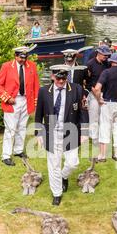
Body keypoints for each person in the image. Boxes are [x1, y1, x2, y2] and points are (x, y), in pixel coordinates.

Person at [35, 65, 89, 206]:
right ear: (52, 76)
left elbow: (83, 110)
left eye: (64, 78)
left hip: (71, 130)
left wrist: (84, 131)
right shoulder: (43, 91)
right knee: (53, 165)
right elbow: (38, 113)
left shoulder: (77, 89)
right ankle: (57, 193)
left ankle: (64, 176)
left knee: (73, 163)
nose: (61, 81)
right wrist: (38, 132)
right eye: (58, 78)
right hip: (51, 131)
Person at [0, 45, 40, 166]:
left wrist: (36, 101)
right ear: (15, 56)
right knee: (10, 129)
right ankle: (6, 155)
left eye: (24, 58)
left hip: (26, 100)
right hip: (12, 101)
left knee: (22, 127)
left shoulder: (32, 66)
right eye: (20, 58)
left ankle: (18, 150)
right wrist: (7, 98)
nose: (22, 60)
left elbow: (36, 85)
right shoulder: (6, 66)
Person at [93, 53, 117, 162]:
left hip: (107, 103)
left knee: (104, 128)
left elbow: (97, 89)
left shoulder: (106, 72)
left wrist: (98, 99)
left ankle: (102, 155)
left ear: (111, 61)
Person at [85, 45, 111, 156]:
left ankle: (103, 139)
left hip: (105, 93)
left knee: (104, 119)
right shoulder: (90, 64)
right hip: (93, 93)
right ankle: (95, 140)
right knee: (94, 118)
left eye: (107, 55)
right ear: (98, 53)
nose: (106, 57)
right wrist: (97, 96)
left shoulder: (107, 64)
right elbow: (88, 82)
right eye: (104, 55)